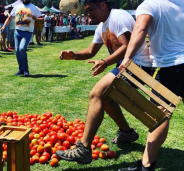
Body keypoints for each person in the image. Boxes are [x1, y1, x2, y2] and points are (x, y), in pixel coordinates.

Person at [117, 0, 184, 170]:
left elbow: (140, 29)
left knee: (159, 115)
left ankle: (146, 165)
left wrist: (127, 57)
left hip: (167, 66)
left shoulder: (149, 5)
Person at [55, 0, 151, 164]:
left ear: (103, 5)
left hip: (138, 65)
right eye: (86, 11)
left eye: (91, 9)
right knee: (105, 98)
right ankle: (127, 133)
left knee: (97, 93)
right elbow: (91, 51)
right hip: (127, 65)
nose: (88, 14)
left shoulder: (118, 17)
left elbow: (126, 46)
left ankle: (83, 148)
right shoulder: (102, 25)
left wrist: (105, 62)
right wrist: (75, 55)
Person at [1, 0, 42, 77]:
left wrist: (36, 19)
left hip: (27, 32)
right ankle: (21, 69)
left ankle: (26, 70)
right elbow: (10, 18)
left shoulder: (34, 8)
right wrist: (4, 26)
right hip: (17, 32)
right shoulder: (17, 7)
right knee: (17, 51)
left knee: (22, 49)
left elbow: (42, 19)